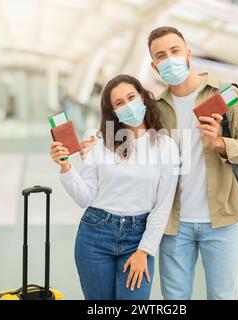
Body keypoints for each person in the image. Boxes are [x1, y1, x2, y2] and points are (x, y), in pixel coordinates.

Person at [147, 26, 238, 300]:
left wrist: (220, 143)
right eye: (161, 55)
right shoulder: (154, 109)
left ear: (188, 54)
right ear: (154, 66)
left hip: (222, 220)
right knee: (174, 300)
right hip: (173, 224)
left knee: (222, 297)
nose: (169, 59)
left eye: (175, 51)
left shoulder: (226, 95)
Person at [50, 74, 179, 300]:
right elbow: (84, 197)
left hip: (138, 238)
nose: (128, 105)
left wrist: (144, 251)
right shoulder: (100, 142)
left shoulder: (165, 145)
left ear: (143, 97)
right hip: (94, 235)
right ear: (113, 112)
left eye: (131, 97)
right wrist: (66, 167)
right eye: (119, 103)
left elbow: (163, 206)